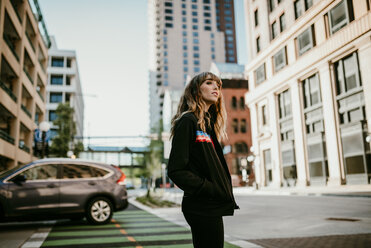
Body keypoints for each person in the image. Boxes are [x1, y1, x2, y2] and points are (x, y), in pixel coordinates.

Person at [167, 72, 239, 248]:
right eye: (209, 83)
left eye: (218, 85)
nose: (216, 87)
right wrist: (209, 188)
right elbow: (176, 170)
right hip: (201, 204)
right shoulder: (187, 121)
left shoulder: (206, 125)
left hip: (211, 204)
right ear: (196, 91)